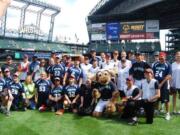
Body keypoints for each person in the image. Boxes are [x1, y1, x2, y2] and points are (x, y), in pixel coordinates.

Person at [152, 52, 171, 120]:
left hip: (164, 83)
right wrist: (156, 82)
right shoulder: (155, 64)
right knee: (156, 98)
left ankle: (167, 113)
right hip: (156, 82)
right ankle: (156, 110)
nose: (161, 60)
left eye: (162, 58)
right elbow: (153, 74)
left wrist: (161, 83)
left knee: (166, 99)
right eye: (160, 58)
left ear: (165, 58)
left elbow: (168, 76)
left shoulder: (168, 64)